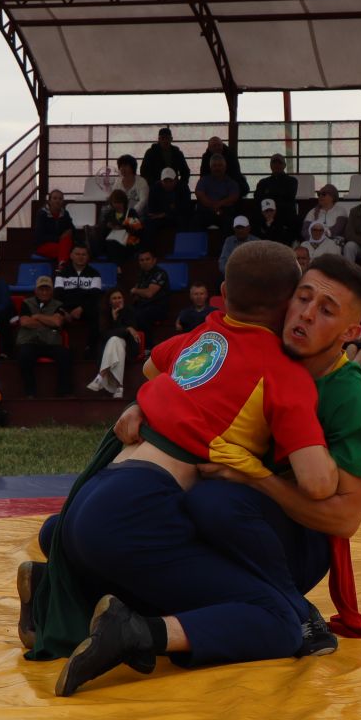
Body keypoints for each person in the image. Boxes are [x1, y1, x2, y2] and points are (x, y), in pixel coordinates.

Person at [25, 243, 341, 695]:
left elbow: (153, 368)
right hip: (133, 511)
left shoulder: (204, 334)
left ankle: (56, 575)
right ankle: (136, 633)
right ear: (290, 301)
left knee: (166, 549)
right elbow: (315, 482)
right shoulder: (282, 373)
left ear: (224, 293)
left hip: (94, 493)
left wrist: (143, 405)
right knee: (278, 618)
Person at [170, 254, 361, 660]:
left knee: (214, 502)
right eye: (302, 299)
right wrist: (140, 407)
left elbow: (345, 519)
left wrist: (253, 478)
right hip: (228, 518)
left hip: (290, 545)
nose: (305, 315)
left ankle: (294, 607)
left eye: (326, 311)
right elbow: (180, 374)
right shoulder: (263, 346)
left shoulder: (352, 398)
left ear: (351, 331)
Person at [12, 276, 72, 399]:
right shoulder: (26, 303)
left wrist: (37, 316)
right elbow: (24, 322)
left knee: (65, 355)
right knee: (24, 355)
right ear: (36, 290)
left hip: (51, 343)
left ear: (52, 291)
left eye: (47, 289)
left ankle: (63, 392)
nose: (44, 292)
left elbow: (57, 322)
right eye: (41, 289)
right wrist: (47, 323)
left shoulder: (58, 305)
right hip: (30, 342)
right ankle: (30, 392)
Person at [84, 289, 142, 398]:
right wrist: (118, 321)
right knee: (114, 340)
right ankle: (119, 387)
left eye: (119, 298)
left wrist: (121, 325)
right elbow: (105, 334)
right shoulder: (105, 313)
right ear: (109, 301)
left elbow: (128, 335)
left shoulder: (130, 311)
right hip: (110, 348)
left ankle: (100, 377)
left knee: (115, 339)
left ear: (123, 299)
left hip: (129, 346)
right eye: (114, 298)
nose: (117, 300)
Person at [123, 249, 172, 343]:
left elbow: (149, 293)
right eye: (141, 260)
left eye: (147, 259)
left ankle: (148, 347)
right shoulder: (141, 274)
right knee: (126, 312)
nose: (144, 262)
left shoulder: (160, 273)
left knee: (140, 315)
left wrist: (135, 290)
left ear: (154, 260)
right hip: (144, 305)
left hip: (158, 306)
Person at [193, 152, 244, 234]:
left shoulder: (231, 182)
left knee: (231, 222)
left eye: (220, 165)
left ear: (225, 167)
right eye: (214, 166)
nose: (217, 168)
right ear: (210, 167)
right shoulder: (204, 180)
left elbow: (234, 196)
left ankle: (226, 246)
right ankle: (197, 246)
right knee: (195, 221)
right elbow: (199, 194)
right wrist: (213, 206)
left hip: (224, 212)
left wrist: (219, 204)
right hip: (206, 211)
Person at [91, 188, 143, 261]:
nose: (117, 205)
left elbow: (138, 231)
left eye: (119, 202)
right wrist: (108, 226)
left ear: (124, 202)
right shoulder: (109, 214)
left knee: (114, 246)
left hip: (128, 241)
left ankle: (118, 265)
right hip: (112, 240)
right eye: (115, 202)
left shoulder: (131, 212)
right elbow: (103, 232)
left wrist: (124, 226)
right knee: (106, 244)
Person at [138, 126, 189, 192]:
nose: (165, 141)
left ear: (171, 139)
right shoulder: (151, 152)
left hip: (174, 186)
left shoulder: (177, 153)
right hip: (156, 186)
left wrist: (180, 183)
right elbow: (144, 171)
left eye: (167, 138)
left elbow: (185, 171)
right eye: (163, 138)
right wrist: (153, 184)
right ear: (159, 139)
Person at [33, 191, 77, 263]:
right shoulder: (42, 214)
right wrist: (59, 238)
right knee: (68, 250)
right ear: (49, 201)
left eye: (60, 199)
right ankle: (63, 267)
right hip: (45, 245)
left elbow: (72, 229)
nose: (57, 201)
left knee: (67, 241)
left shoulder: (65, 213)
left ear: (63, 201)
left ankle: (61, 266)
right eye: (55, 198)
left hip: (63, 244)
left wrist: (69, 232)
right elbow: (39, 237)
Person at [142, 167, 190, 233]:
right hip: (160, 217)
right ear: (161, 181)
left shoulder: (183, 187)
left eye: (170, 181)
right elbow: (152, 208)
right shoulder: (155, 188)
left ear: (176, 180)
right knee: (148, 222)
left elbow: (185, 207)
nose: (168, 184)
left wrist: (165, 213)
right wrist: (169, 211)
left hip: (177, 216)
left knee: (184, 220)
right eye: (165, 181)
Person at [254, 152, 300, 216]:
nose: (276, 165)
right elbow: (258, 199)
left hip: (285, 215)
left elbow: (288, 198)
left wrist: (269, 197)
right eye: (274, 162)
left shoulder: (292, 181)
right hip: (266, 215)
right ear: (270, 165)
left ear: (284, 165)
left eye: (279, 163)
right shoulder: (263, 182)